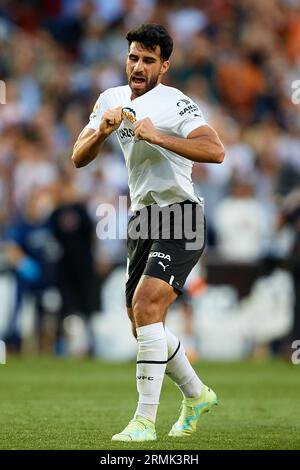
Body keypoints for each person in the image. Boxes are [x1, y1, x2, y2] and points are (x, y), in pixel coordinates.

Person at [72, 24, 224, 442]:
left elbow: (216, 150)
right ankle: (197, 395)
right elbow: (77, 157)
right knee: (141, 323)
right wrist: (101, 131)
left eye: (148, 60)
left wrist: (159, 136)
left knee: (146, 304)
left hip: (181, 214)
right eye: (133, 58)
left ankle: (144, 422)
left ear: (164, 66)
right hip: (143, 219)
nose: (138, 67)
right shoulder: (111, 99)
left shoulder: (176, 103)